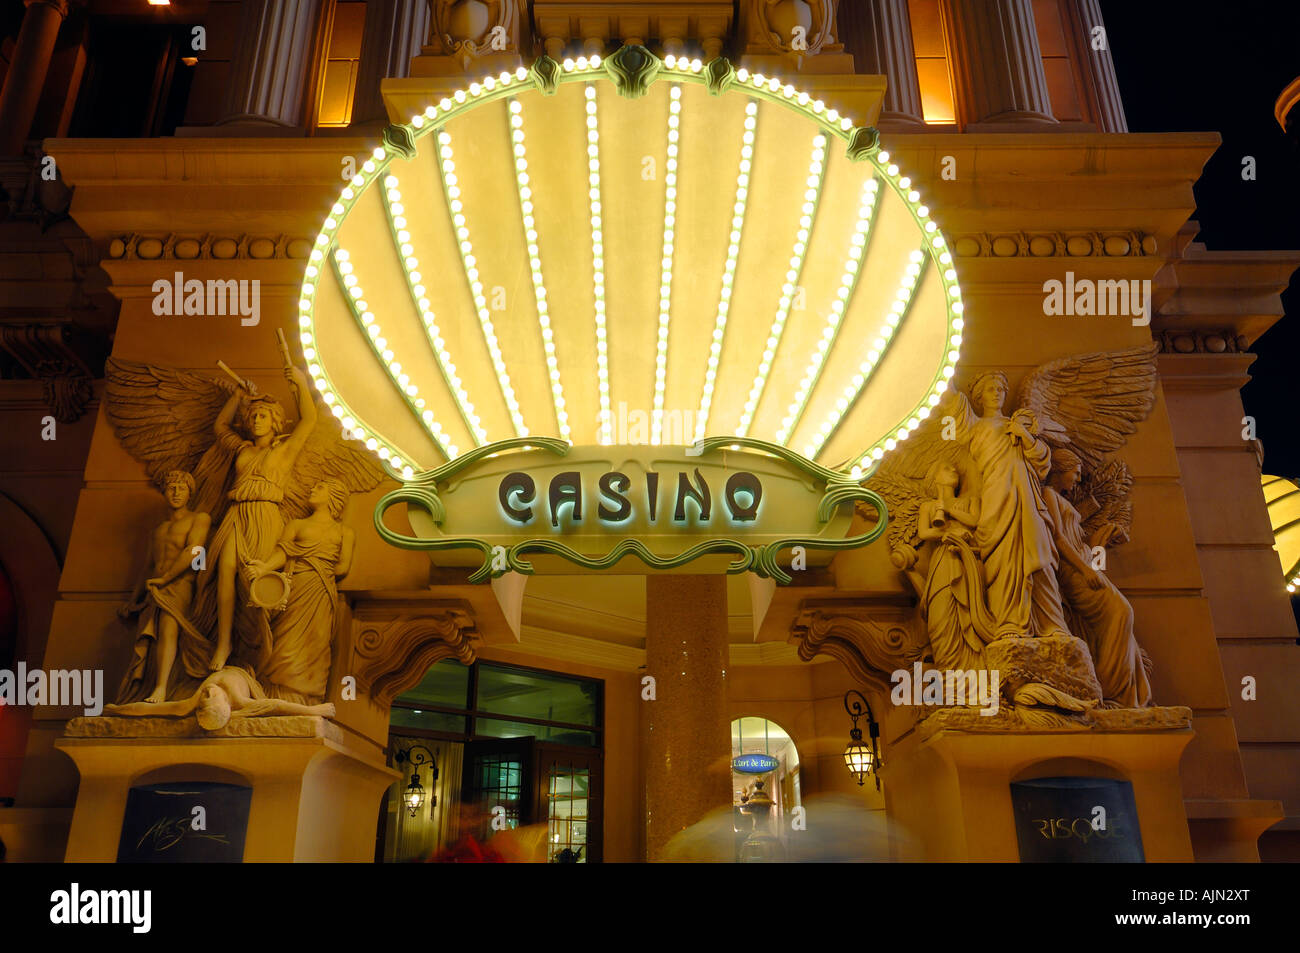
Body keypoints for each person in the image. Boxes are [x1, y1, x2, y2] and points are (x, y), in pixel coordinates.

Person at [183, 364, 316, 679]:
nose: (257, 420)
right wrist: (238, 396)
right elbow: (220, 427)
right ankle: (224, 643)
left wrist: (300, 383)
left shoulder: (285, 451)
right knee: (223, 570)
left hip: (265, 515)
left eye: (264, 416)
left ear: (275, 422)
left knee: (251, 579)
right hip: (236, 513)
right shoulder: (240, 449)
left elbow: (310, 420)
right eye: (253, 415)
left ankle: (255, 647)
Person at [944, 373, 1070, 640]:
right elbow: (949, 400)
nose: (997, 392)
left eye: (1001, 388)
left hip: (1028, 498)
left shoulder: (1019, 425)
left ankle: (1052, 624)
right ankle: (1009, 621)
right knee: (1004, 559)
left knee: (1040, 557)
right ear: (978, 398)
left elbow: (1043, 466)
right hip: (996, 499)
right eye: (989, 389)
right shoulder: (974, 427)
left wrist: (1026, 437)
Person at [1043, 448, 1152, 708]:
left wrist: (1104, 536)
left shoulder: (1062, 500)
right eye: (1075, 473)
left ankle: (1128, 695)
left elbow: (1077, 540)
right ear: (1061, 469)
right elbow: (1058, 537)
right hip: (1075, 570)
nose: (1077, 479)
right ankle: (1113, 690)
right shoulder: (1048, 495)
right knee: (1121, 612)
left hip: (1084, 564)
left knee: (1121, 615)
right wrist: (1084, 569)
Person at [245, 479, 355, 704]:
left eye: (320, 487)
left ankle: (306, 696)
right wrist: (263, 568)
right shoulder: (297, 525)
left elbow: (343, 566)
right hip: (296, 587)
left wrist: (318, 568)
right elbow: (283, 552)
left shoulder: (344, 532)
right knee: (285, 639)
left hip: (321, 591)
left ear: (334, 496)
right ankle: (275, 693)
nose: (312, 488)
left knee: (317, 641)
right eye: (314, 486)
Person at [119, 470, 210, 703]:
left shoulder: (199, 519)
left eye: (182, 488)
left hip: (179, 584)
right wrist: (134, 598)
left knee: (169, 631)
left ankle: (161, 688)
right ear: (164, 492)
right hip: (155, 589)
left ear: (191, 492)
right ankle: (153, 686)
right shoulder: (158, 530)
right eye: (171, 488)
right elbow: (148, 566)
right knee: (153, 637)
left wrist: (166, 578)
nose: (176, 492)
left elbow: (195, 550)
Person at [105, 666, 335, 729]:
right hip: (247, 669)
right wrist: (317, 711)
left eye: (205, 696)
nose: (206, 690)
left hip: (227, 663)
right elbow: (277, 705)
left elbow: (148, 710)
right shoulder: (240, 701)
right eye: (209, 695)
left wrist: (118, 710)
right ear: (226, 704)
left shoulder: (193, 702)